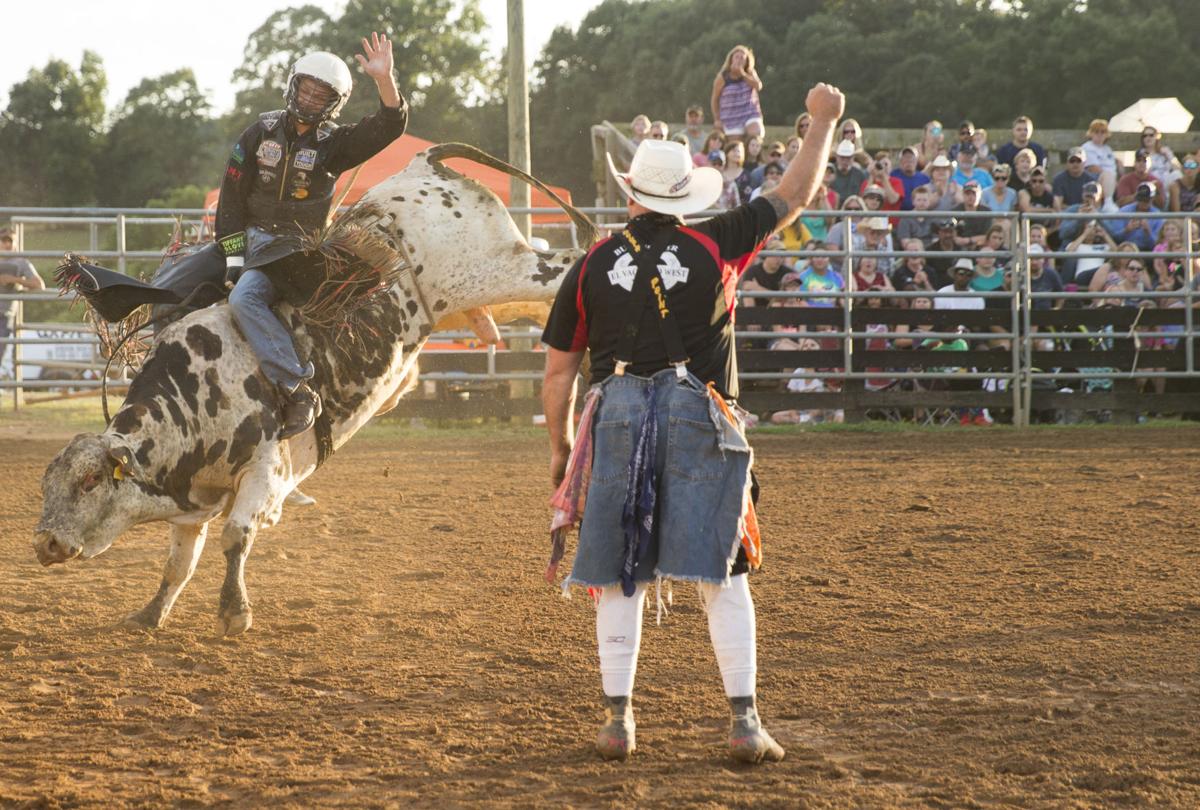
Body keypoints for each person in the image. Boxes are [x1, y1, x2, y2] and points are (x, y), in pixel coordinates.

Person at [541, 82, 846, 765]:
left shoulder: (590, 263)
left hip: (615, 414)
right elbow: (794, 193)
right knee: (725, 569)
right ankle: (744, 722)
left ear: (630, 194)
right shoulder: (718, 243)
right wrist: (822, 122)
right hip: (698, 411)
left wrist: (561, 448)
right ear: (686, 196)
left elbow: (559, 373)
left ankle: (617, 722)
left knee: (619, 571)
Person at [216, 33, 407, 438]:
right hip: (246, 241)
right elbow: (230, 200)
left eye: (321, 96)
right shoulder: (258, 132)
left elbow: (389, 126)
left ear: (332, 104)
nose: (309, 99)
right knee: (178, 283)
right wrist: (232, 258)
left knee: (244, 296)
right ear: (293, 84)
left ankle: (297, 386)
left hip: (292, 250)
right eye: (306, 88)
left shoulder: (335, 145)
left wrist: (384, 80)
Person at [0, 228, 46, 366]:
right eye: (4, 240)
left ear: (15, 243)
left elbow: (39, 285)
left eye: (11, 241)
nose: (7, 244)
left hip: (5, 313)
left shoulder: (21, 261)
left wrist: (15, 280)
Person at [711, 45, 764, 140]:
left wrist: (743, 74)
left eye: (742, 58)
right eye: (737, 57)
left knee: (755, 135)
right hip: (730, 117)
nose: (739, 60)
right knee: (734, 145)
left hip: (749, 113)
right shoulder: (723, 77)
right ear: (731, 59)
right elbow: (715, 99)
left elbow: (758, 86)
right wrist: (717, 119)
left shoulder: (750, 73)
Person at [1110, 182, 1164, 251]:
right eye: (1141, 200)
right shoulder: (1124, 211)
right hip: (1126, 249)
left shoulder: (1158, 216)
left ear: (1152, 199)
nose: (1143, 203)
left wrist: (1148, 232)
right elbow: (1115, 237)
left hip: (1147, 251)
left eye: (1146, 200)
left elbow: (1157, 245)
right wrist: (1127, 230)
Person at [1080, 119, 1120, 202]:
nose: (1099, 134)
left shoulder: (1108, 149)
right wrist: (1112, 179)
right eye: (1096, 131)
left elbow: (1112, 164)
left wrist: (1119, 163)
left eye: (1103, 132)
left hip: (1112, 179)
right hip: (1094, 179)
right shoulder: (1087, 147)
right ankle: (1108, 202)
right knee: (1107, 175)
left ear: (1106, 134)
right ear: (1091, 133)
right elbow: (1092, 168)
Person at [891, 145, 930, 209]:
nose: (908, 162)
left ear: (916, 161)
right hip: (899, 213)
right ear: (900, 162)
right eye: (906, 159)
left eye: (911, 159)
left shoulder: (924, 178)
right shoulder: (893, 175)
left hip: (919, 213)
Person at [829, 139, 867, 204]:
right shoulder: (829, 171)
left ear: (853, 157)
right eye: (842, 157)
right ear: (837, 157)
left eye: (848, 157)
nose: (845, 161)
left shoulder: (860, 174)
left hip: (853, 210)